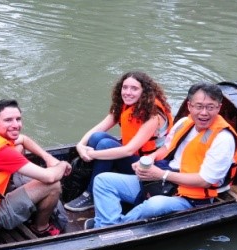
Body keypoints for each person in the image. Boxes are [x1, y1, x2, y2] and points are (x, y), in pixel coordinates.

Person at [88, 83, 237, 228]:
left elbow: (205, 181)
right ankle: (108, 224)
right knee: (103, 181)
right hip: (166, 180)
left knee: (155, 205)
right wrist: (150, 159)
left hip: (192, 196)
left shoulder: (223, 139)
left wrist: (161, 174)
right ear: (189, 106)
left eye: (210, 107)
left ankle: (110, 228)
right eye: (199, 106)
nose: (204, 113)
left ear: (218, 108)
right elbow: (167, 147)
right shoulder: (184, 123)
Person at [0, 99, 72, 237]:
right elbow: (50, 177)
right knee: (53, 185)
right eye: (8, 120)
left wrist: (47, 157)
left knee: (18, 147)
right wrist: (62, 164)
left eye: (18, 119)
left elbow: (23, 139)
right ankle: (41, 227)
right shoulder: (2, 153)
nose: (16, 125)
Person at [65, 71, 173, 212]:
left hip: (145, 165)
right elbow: (99, 128)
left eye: (134, 89)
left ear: (144, 92)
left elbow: (128, 150)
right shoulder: (125, 105)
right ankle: (94, 177)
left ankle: (91, 194)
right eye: (125, 87)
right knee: (96, 137)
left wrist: (93, 154)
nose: (128, 92)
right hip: (130, 157)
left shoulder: (153, 116)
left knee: (105, 145)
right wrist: (81, 145)